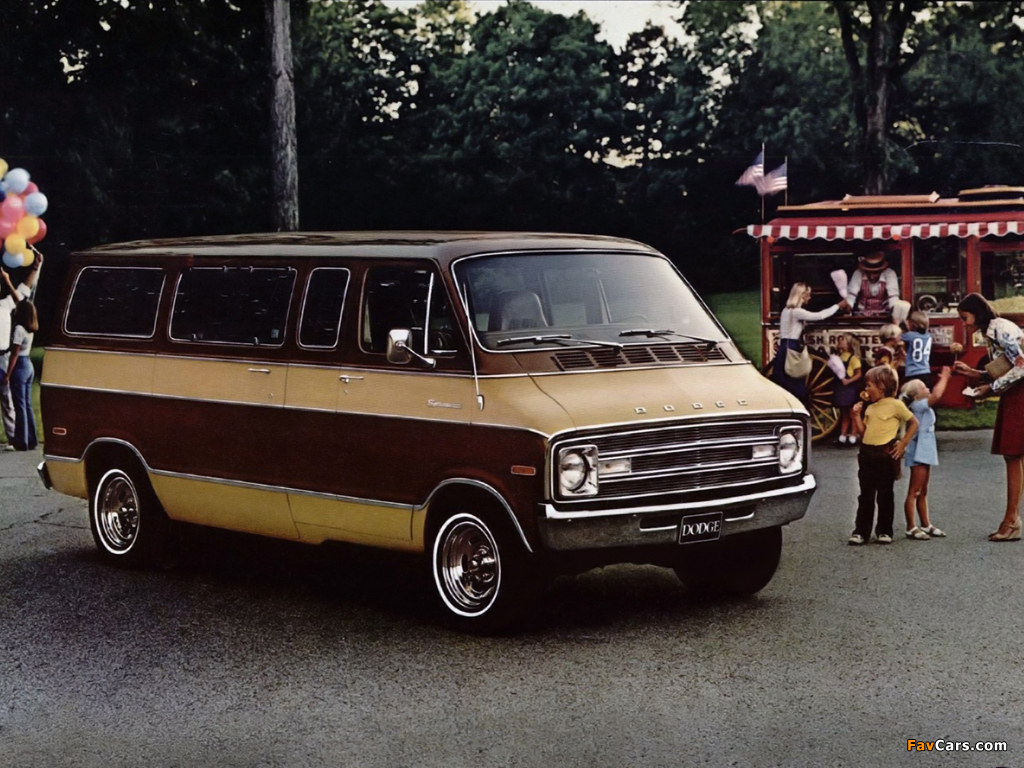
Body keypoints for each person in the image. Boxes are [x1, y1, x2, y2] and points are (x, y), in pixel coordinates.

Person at [953, 293, 1024, 541]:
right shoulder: (992, 332)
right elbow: (1004, 366)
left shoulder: (1002, 329)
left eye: (965, 317)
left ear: (977, 313)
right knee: (1013, 455)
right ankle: (1011, 519)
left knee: (1013, 454)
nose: (964, 323)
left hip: (1020, 393)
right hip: (1015, 391)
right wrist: (973, 373)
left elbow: (1022, 365)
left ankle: (1012, 520)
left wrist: (991, 388)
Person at [848, 365, 918, 545]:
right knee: (866, 495)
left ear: (881, 386)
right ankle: (861, 531)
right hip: (867, 454)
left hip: (885, 455)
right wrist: (856, 416)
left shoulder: (896, 405)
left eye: (869, 385)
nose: (866, 389)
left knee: (885, 495)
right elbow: (864, 433)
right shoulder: (870, 408)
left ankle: (885, 530)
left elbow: (914, 423)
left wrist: (902, 443)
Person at [899, 366, 952, 540]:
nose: (927, 389)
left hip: (926, 450)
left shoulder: (921, 406)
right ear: (916, 396)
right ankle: (910, 526)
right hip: (919, 451)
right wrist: (944, 378)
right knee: (914, 491)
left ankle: (925, 523)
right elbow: (937, 395)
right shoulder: (918, 406)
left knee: (923, 490)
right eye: (923, 388)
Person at [772, 282, 850, 399]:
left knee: (782, 377)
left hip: (784, 345)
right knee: (795, 377)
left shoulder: (786, 310)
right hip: (792, 346)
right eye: (808, 295)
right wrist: (838, 306)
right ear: (802, 295)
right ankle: (799, 400)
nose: (810, 298)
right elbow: (820, 316)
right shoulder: (797, 312)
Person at [0, 255, 41, 451]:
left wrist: (34, 268)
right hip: (21, 362)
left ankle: (16, 439)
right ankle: (25, 439)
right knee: (21, 403)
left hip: (6, 357)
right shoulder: (25, 324)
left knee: (11, 402)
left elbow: (23, 292)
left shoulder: (6, 306)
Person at [2, 299, 39, 451]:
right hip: (28, 365)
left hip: (20, 367)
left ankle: (21, 442)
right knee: (27, 405)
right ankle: (31, 439)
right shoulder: (30, 329)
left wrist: (7, 374)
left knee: (19, 406)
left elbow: (14, 355)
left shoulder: (19, 329)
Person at [831, 332, 863, 445]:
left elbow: (858, 373)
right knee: (844, 413)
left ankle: (853, 434)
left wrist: (849, 381)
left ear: (849, 344)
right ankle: (843, 434)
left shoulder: (853, 359)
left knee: (852, 413)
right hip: (841, 387)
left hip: (849, 388)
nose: (840, 341)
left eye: (843, 340)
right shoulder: (839, 357)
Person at [846, 251, 900, 317]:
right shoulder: (858, 273)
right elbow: (851, 295)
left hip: (884, 314)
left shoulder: (889, 274)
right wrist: (848, 306)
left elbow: (893, 297)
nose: (871, 276)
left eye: (875, 273)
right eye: (868, 272)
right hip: (862, 315)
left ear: (881, 270)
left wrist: (895, 310)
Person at [901, 311, 933, 388]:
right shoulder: (928, 336)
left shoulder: (909, 335)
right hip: (926, 371)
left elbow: (897, 337)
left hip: (912, 372)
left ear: (913, 324)